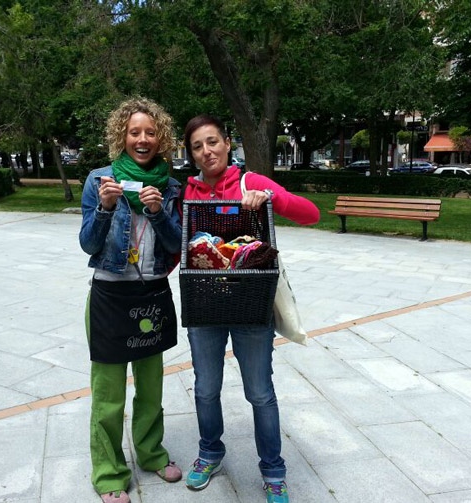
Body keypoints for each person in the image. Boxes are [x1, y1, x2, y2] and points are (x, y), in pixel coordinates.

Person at [182, 115, 320, 503]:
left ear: (228, 144)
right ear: (191, 154)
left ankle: (273, 470)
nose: (206, 151)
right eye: (197, 146)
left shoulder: (251, 182)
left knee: (260, 392)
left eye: (212, 142)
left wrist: (269, 198)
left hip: (251, 302)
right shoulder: (188, 192)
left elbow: (311, 214)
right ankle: (210, 452)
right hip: (205, 305)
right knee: (205, 388)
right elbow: (177, 245)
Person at [79, 97, 184, 503]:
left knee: (151, 388)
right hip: (110, 294)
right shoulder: (99, 180)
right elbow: (88, 243)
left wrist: (158, 212)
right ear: (121, 136)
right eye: (134, 131)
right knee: (108, 394)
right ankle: (109, 472)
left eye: (150, 132)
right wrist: (105, 208)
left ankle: (151, 452)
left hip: (152, 293)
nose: (142, 139)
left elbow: (176, 244)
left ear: (161, 138)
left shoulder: (170, 186)